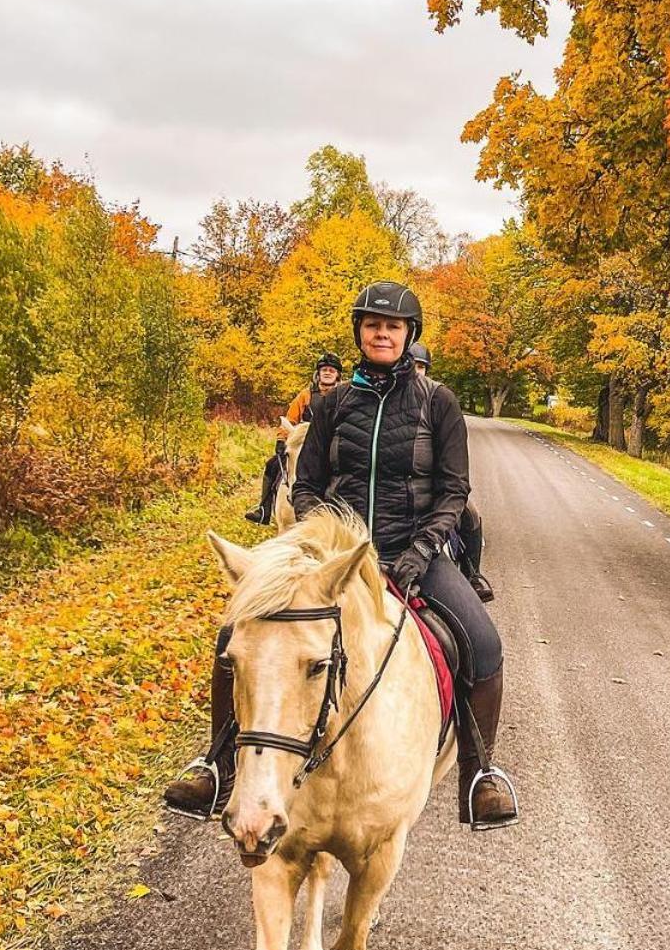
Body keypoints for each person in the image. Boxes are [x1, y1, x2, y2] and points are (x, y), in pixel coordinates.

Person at [164, 282, 517, 829]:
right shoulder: (332, 406)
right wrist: (318, 540)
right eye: (373, 324)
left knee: (483, 642)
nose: (382, 332)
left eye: (393, 326)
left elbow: (453, 493)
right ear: (359, 332)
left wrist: (423, 550)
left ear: (408, 335)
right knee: (236, 633)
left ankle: (480, 776)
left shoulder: (438, 403)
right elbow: (306, 485)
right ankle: (218, 767)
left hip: (412, 552)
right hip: (335, 558)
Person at [408, 343, 495, 603]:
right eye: (413, 364)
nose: (417, 370)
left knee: (470, 513)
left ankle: (472, 573)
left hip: (436, 486)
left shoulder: (438, 401)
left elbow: (452, 465)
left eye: (421, 366)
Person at [244, 352, 343, 525]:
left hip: (331, 443)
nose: (327, 373)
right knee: (272, 464)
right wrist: (282, 439)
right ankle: (264, 509)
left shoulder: (343, 395)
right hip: (303, 442)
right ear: (318, 374)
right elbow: (290, 419)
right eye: (324, 370)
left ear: (337, 375)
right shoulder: (305, 396)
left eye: (331, 370)